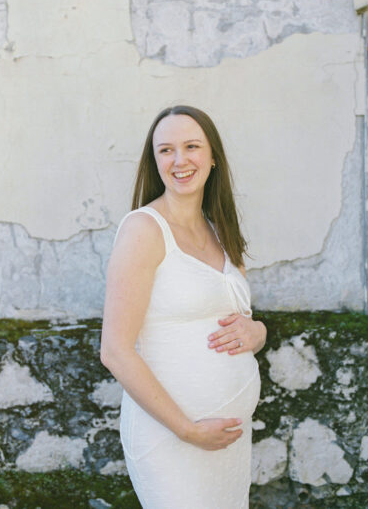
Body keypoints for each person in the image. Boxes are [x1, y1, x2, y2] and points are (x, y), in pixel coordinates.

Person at [100, 105, 267, 507]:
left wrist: (259, 333)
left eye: (191, 146)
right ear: (154, 161)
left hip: (227, 441)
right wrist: (188, 430)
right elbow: (115, 351)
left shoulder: (219, 228)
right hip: (171, 437)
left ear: (212, 157)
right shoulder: (144, 229)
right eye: (166, 150)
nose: (179, 160)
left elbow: (238, 320)